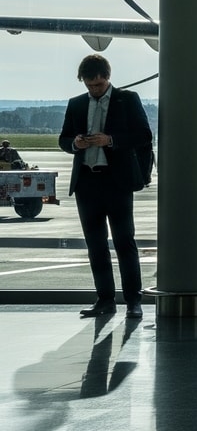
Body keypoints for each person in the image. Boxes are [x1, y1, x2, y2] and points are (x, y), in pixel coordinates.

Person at [59, 53, 152, 320]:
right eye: (89, 86)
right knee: (95, 245)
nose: (94, 90)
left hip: (117, 182)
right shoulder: (76, 104)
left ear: (107, 78)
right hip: (87, 182)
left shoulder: (127, 99)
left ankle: (134, 300)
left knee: (125, 242)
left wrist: (110, 140)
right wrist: (75, 143)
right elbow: (63, 139)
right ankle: (105, 299)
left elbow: (144, 135)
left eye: (98, 85)